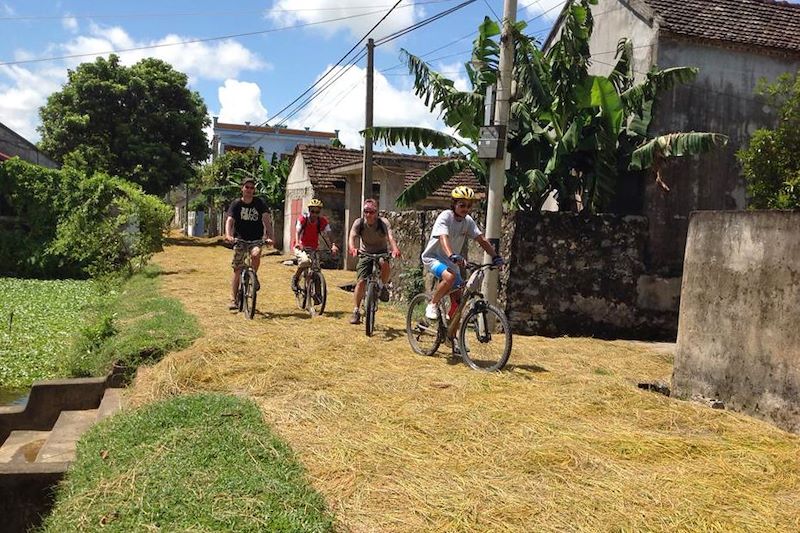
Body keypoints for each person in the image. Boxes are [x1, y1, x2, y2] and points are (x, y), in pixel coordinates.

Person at [421, 186, 503, 321]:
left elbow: (481, 239)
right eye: (462, 205)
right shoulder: (446, 216)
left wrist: (495, 256)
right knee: (449, 277)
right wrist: (451, 255)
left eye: (469, 206)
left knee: (459, 302)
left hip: (451, 262)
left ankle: (449, 332)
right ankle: (432, 304)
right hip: (433, 258)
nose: (466, 208)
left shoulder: (468, 221)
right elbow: (443, 238)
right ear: (454, 204)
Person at [347, 198, 401, 325]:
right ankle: (356, 311)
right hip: (365, 253)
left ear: (377, 212)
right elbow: (352, 236)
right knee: (360, 282)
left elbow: (390, 237)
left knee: (385, 264)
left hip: (381, 251)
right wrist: (352, 248)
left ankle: (382, 287)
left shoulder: (383, 223)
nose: (368, 215)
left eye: (372, 212)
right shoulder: (359, 223)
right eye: (366, 211)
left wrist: (395, 249)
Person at [224, 176, 273, 310]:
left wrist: (270, 237)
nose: (249, 190)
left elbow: (267, 220)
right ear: (242, 188)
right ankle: (233, 299)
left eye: (252, 188)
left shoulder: (259, 203)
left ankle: (253, 275)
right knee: (237, 269)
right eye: (247, 187)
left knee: (256, 255)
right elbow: (230, 220)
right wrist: (228, 235)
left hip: (256, 239)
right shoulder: (236, 204)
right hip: (239, 239)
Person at [292, 198, 339, 293]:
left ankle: (317, 295)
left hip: (313, 248)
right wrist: (297, 242)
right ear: (309, 211)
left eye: (317, 212)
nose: (314, 214)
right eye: (312, 211)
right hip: (301, 246)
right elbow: (297, 231)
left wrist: (333, 245)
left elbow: (329, 234)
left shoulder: (322, 221)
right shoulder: (303, 219)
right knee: (305, 261)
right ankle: (296, 279)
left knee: (316, 270)